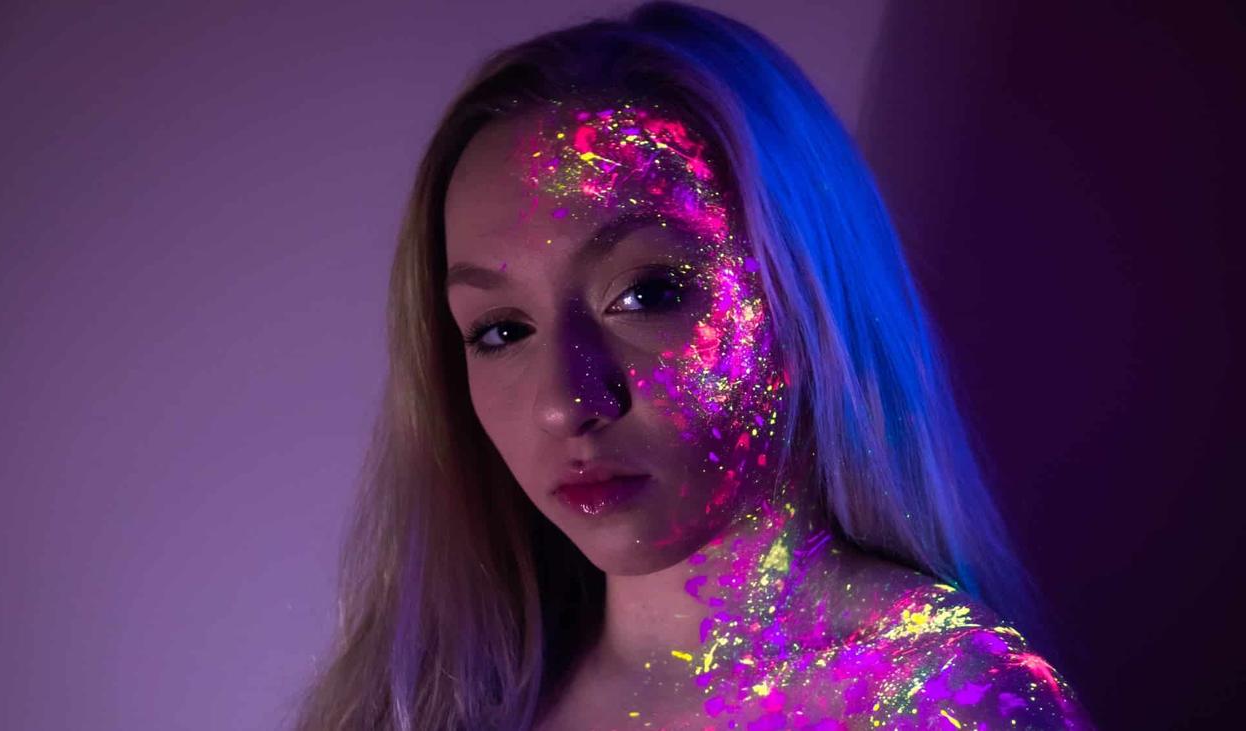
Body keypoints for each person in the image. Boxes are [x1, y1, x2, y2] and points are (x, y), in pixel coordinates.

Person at [291, 2, 1094, 729]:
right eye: (502, 330)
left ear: (801, 295)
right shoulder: (428, 704)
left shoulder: (948, 700)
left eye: (646, 293)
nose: (565, 402)